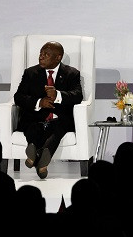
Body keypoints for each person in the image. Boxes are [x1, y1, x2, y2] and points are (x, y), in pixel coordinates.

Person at [13, 41, 83, 179]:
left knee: (58, 128)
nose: (41, 57)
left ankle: (35, 156)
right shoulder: (30, 73)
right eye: (40, 53)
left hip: (59, 119)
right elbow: (18, 97)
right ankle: (41, 161)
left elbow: (78, 96)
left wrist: (58, 95)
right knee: (33, 127)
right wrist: (39, 102)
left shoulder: (71, 73)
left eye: (46, 54)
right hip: (35, 117)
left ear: (58, 57)